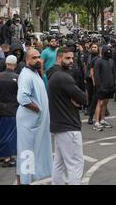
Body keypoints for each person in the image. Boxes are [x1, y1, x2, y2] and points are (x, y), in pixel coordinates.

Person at [47, 47, 87, 185]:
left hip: (59, 126)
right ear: (59, 58)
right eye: (67, 58)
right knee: (75, 164)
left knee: (59, 162)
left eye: (72, 58)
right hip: (69, 126)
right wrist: (77, 100)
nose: (71, 61)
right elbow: (83, 98)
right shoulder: (63, 77)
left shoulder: (54, 75)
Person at [16, 49, 52, 185]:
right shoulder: (26, 75)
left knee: (27, 153)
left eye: (39, 57)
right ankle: (24, 182)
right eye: (33, 57)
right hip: (29, 121)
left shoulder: (35, 73)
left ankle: (22, 182)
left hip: (34, 121)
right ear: (27, 60)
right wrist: (37, 109)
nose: (37, 60)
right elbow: (22, 98)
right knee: (27, 153)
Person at [0, 55, 19, 168]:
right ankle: (7, 158)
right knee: (10, 134)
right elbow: (20, 95)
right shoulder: (17, 77)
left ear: (6, 63)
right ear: (15, 65)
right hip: (12, 109)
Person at [92, 45, 116, 131]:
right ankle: (96, 122)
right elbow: (96, 75)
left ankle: (102, 120)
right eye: (107, 51)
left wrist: (114, 84)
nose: (109, 52)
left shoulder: (111, 61)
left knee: (105, 103)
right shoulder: (98, 61)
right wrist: (99, 86)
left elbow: (114, 73)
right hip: (102, 87)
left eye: (110, 50)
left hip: (110, 87)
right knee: (100, 103)